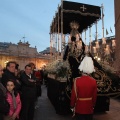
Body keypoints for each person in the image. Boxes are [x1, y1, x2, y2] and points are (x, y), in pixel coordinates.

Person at [70, 56, 97, 120]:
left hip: (79, 108)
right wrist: (93, 105)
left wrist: (72, 105)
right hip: (89, 108)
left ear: (82, 70)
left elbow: (73, 95)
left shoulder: (77, 80)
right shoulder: (94, 81)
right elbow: (94, 96)